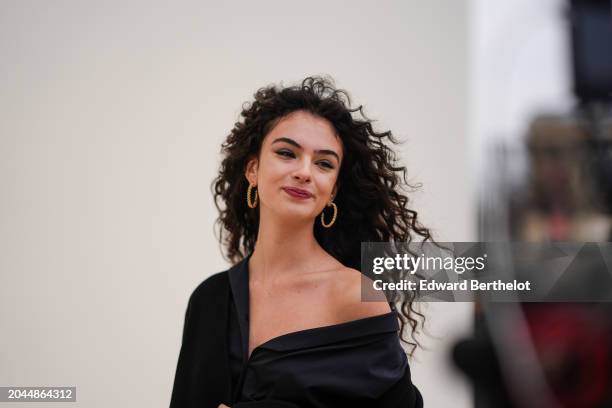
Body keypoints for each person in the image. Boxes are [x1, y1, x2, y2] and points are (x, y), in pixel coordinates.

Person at [169, 76, 431, 408]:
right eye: (287, 153)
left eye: (324, 163)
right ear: (253, 168)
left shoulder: (353, 296)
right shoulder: (209, 299)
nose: (304, 172)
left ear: (333, 189)